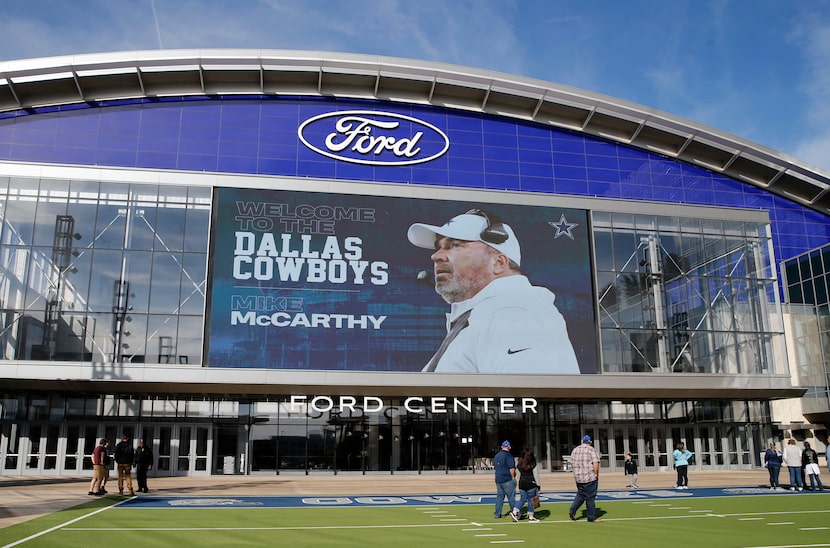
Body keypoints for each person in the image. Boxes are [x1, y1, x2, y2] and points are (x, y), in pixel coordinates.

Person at [407, 209, 579, 374]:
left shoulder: (512, 312)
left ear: (498, 263)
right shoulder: (488, 313)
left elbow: (526, 399)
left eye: (455, 245)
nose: (436, 256)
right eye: (439, 247)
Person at [568, 434, 602, 523]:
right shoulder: (591, 450)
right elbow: (595, 463)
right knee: (590, 497)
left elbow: (571, 463)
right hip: (589, 477)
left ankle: (572, 510)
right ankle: (591, 517)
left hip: (579, 478)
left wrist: (576, 473)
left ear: (582, 441)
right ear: (590, 442)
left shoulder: (575, 450)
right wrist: (596, 474)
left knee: (581, 494)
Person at [511, 446, 542, 523]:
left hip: (522, 483)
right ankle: (531, 517)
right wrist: (538, 486)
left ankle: (514, 512)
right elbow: (536, 475)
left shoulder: (519, 463)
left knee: (522, 499)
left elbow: (517, 474)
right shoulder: (533, 463)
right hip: (530, 483)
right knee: (531, 500)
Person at [493, 440, 516, 519]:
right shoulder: (509, 456)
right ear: (509, 447)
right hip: (507, 479)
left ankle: (497, 513)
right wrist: (513, 477)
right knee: (511, 497)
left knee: (500, 497)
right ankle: (515, 513)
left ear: (502, 447)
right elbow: (511, 468)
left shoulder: (497, 455)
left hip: (498, 479)